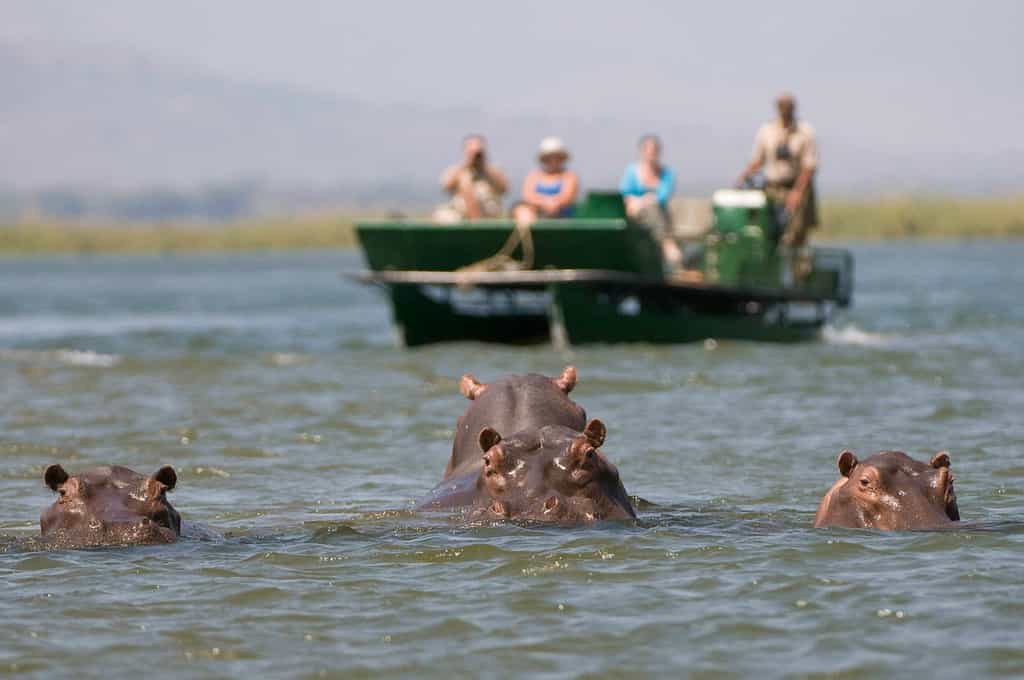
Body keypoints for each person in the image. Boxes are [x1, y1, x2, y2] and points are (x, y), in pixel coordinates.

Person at [735, 92, 819, 247]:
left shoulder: (805, 131)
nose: (785, 110)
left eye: (788, 106)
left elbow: (809, 167)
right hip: (772, 187)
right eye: (782, 106)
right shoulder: (767, 130)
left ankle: (799, 266)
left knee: (797, 231)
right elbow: (758, 159)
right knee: (768, 228)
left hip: (797, 186)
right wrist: (742, 177)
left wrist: (797, 192)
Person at [620, 134, 682, 269]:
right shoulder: (632, 171)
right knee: (643, 208)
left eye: (654, 150)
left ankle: (666, 244)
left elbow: (662, 196)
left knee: (652, 209)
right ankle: (667, 245)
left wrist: (642, 201)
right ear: (642, 151)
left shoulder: (667, 173)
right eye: (648, 150)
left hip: (659, 214)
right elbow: (625, 193)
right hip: (633, 213)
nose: (651, 154)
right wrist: (636, 203)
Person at [434, 134, 508, 222]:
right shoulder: (457, 170)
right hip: (461, 216)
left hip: (489, 214)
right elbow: (446, 186)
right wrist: (467, 163)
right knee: (464, 181)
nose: (476, 155)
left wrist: (484, 166)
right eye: (471, 151)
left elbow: (504, 188)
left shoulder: (493, 171)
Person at [512, 137, 579, 222]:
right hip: (537, 215)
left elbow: (568, 196)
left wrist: (554, 204)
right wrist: (545, 204)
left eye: (556, 157)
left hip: (562, 216)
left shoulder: (569, 176)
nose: (553, 160)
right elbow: (528, 196)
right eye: (549, 157)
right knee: (522, 211)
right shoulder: (534, 176)